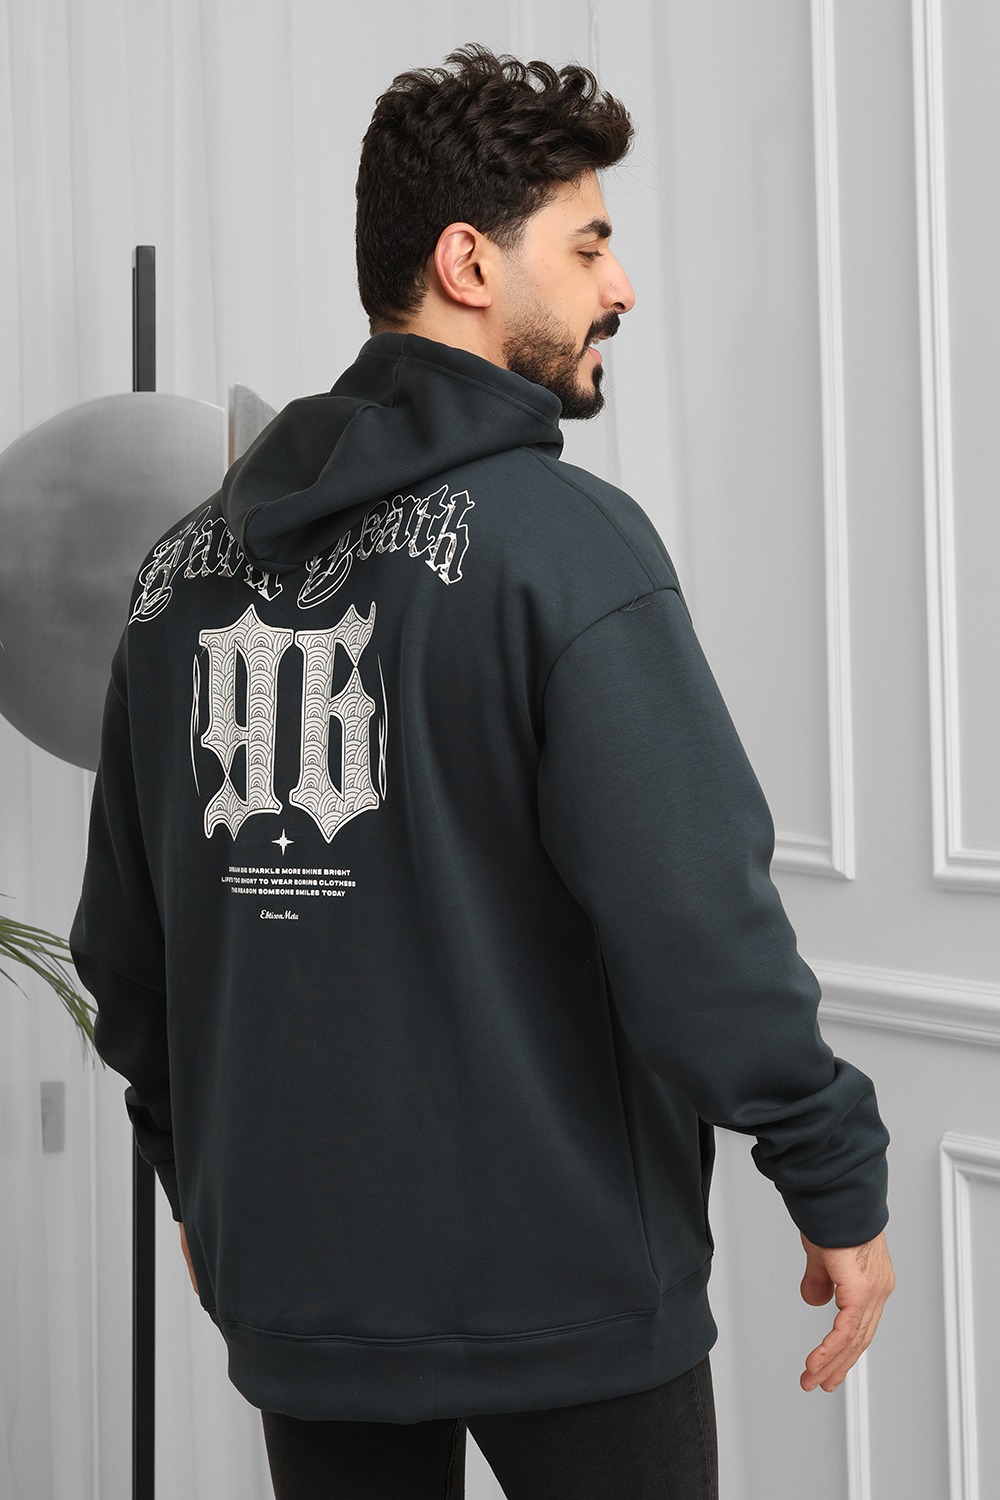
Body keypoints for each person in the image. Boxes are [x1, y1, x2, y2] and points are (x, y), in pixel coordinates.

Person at [71, 41, 895, 1500]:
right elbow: (695, 915)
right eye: (588, 245)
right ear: (467, 262)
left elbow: (128, 961)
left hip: (303, 1286)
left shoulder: (176, 576)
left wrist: (197, 1174)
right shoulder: (564, 549)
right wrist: (829, 1168)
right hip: (566, 1291)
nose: (619, 286)